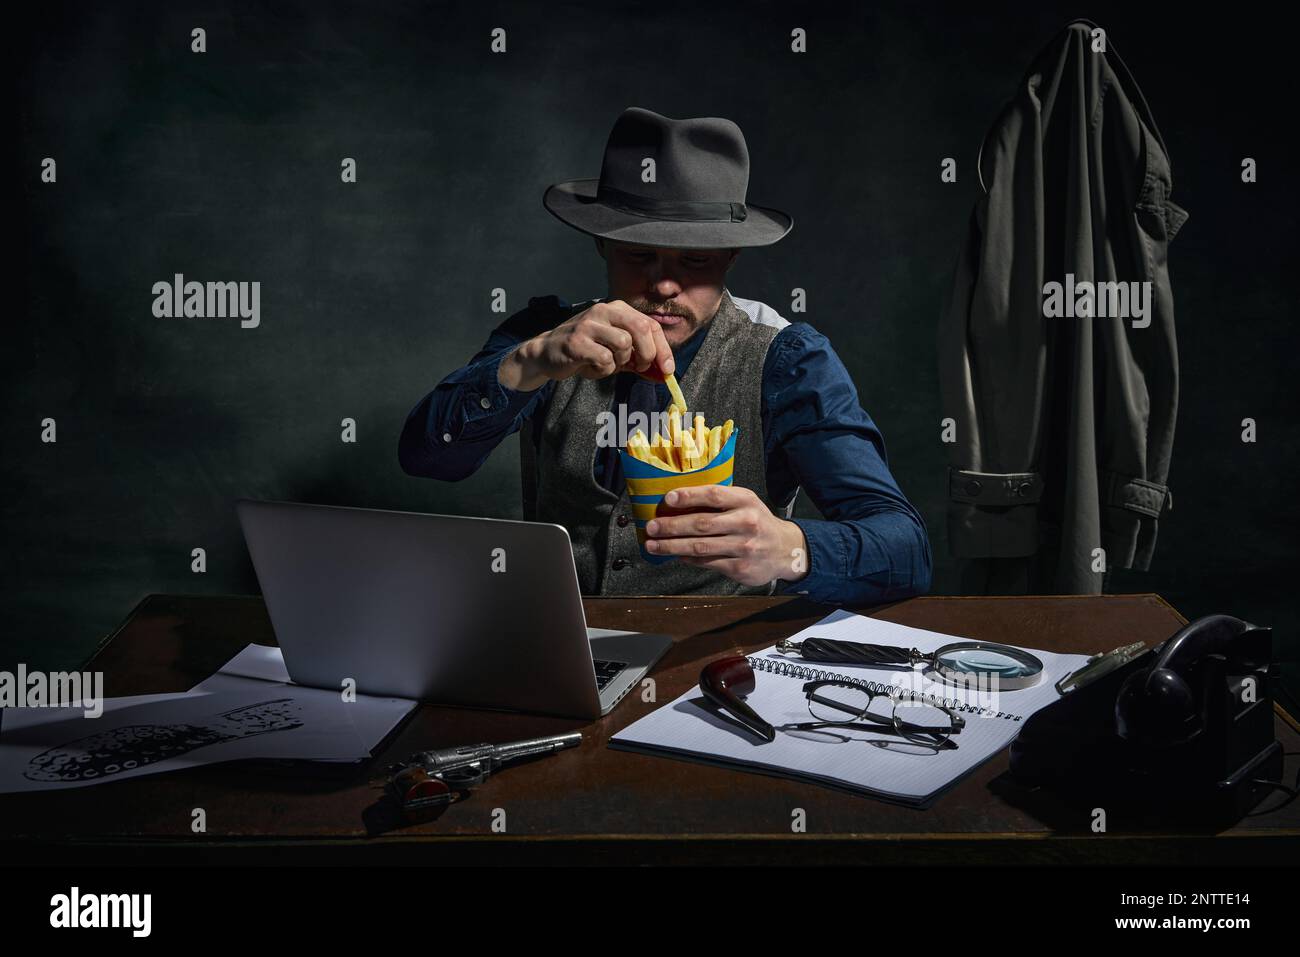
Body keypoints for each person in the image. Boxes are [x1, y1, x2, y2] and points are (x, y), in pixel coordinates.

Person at [399, 107, 931, 604]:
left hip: (717, 658)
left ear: (730, 255)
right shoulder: (544, 336)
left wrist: (791, 549)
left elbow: (906, 550)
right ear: (602, 245)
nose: (666, 284)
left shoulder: (788, 359)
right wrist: (527, 363)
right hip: (567, 639)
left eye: (696, 260)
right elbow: (427, 459)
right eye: (639, 255)